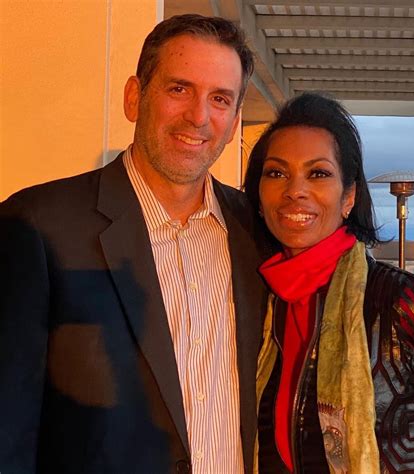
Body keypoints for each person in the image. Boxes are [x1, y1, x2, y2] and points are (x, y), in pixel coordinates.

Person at [0, 14, 269, 474]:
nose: (199, 117)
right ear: (134, 96)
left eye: (220, 99)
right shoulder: (36, 227)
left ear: (234, 120)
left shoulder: (257, 232)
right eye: (179, 88)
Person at [244, 92, 414, 473]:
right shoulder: (262, 306)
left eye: (318, 173)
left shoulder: (402, 301)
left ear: (349, 196)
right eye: (277, 173)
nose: (294, 190)